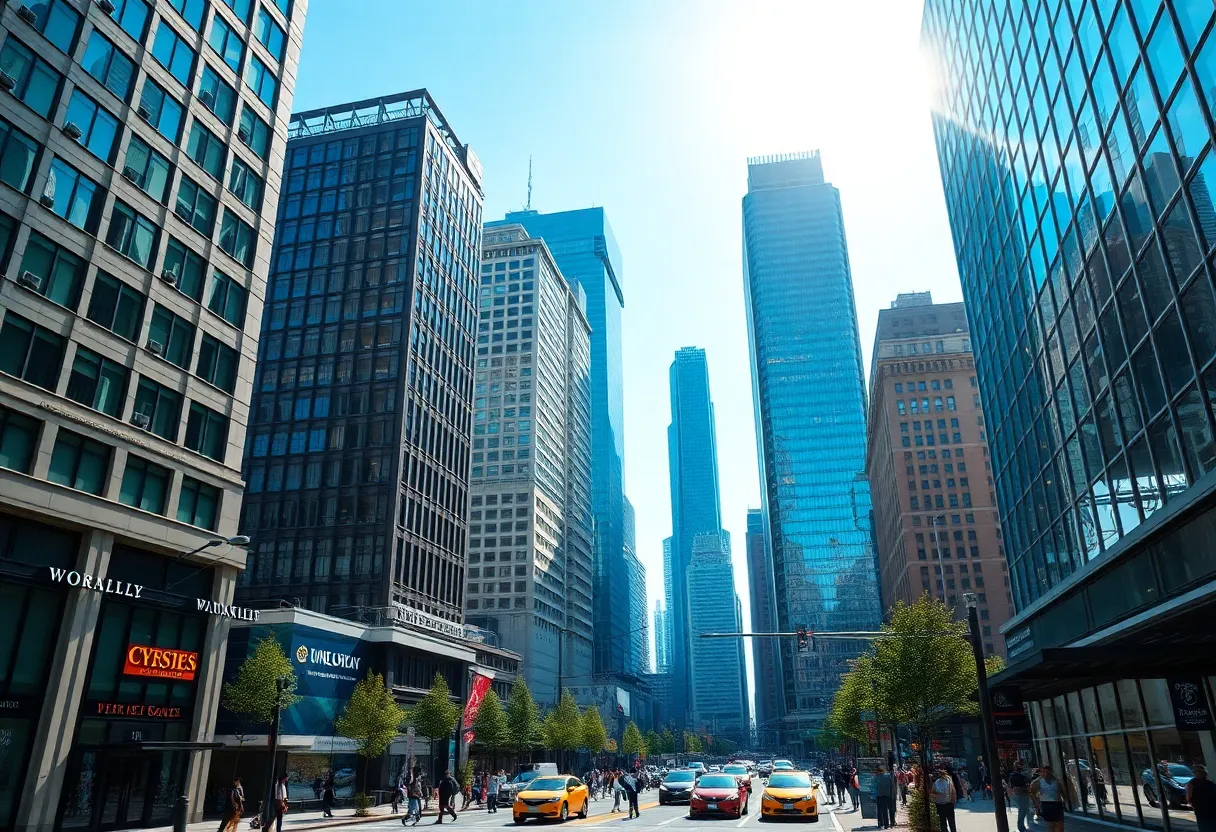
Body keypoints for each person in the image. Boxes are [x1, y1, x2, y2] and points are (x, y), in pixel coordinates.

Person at [1029, 764, 1065, 832]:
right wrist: (1037, 803)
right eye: (1044, 772)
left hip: (1057, 804)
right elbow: (1032, 791)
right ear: (1042, 773)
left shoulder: (1056, 781)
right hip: (1046, 804)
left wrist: (1063, 801)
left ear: (1051, 772)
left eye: (1048, 772)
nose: (1046, 774)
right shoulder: (1040, 782)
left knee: (1059, 826)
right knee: (1050, 826)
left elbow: (1061, 792)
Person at [1188, 764, 1216, 832]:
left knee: (1204, 826)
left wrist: (1191, 803)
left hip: (1201, 809)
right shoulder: (1211, 783)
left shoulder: (1191, 783)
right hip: (1210, 809)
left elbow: (1189, 797)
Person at [1008, 760, 1031, 832]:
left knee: (1025, 810)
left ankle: (1024, 826)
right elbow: (1020, 783)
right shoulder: (1015, 775)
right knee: (1022, 811)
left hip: (1022, 794)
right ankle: (1021, 827)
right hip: (1020, 794)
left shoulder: (1019, 774)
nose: (1020, 767)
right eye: (1019, 765)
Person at [873, 765, 896, 830]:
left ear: (878, 771)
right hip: (886, 796)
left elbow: (874, 786)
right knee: (885, 811)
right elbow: (891, 786)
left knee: (879, 811)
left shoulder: (876, 777)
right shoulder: (888, 776)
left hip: (879, 795)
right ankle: (886, 824)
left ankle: (880, 824)